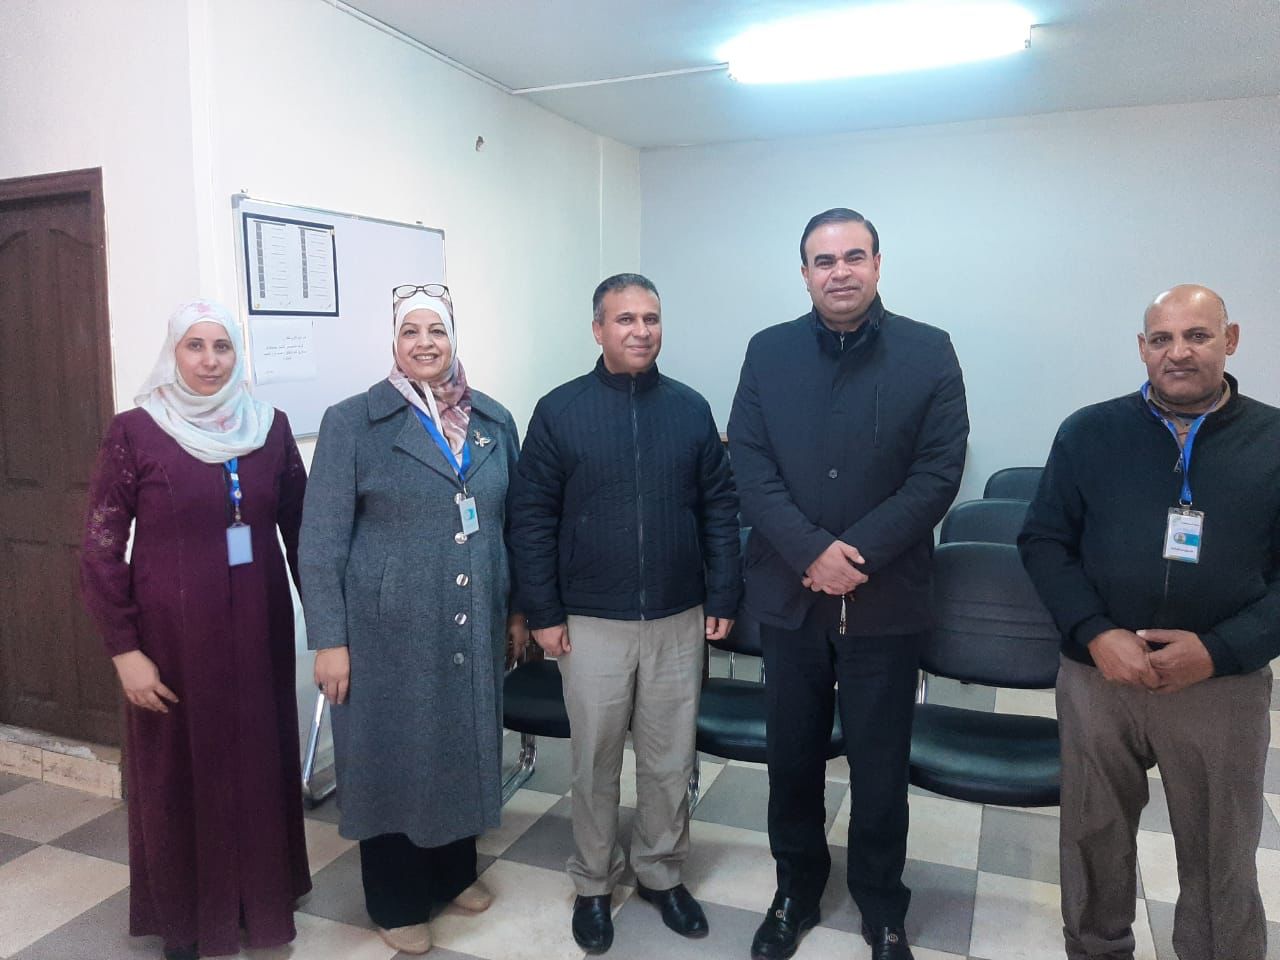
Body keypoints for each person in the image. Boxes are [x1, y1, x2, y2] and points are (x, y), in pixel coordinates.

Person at [728, 209, 968, 960]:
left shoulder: (929, 350)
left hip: (885, 599)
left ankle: (881, 904)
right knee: (792, 757)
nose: (840, 272)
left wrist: (852, 555)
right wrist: (811, 552)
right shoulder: (768, 351)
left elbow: (938, 473)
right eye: (824, 261)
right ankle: (796, 889)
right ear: (804, 273)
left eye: (853, 256)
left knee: (880, 763)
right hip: (791, 597)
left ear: (877, 264)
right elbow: (750, 466)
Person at [1019, 283, 1280, 960]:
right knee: (1092, 838)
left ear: (1231, 340)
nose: (1178, 352)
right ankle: (1096, 950)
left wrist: (1220, 650)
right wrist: (1094, 631)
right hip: (1100, 676)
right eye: (1162, 339)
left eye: (1197, 335)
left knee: (1222, 854)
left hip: (1219, 686)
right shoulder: (1089, 432)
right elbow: (1043, 541)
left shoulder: (1274, 440)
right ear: (1142, 348)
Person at [507, 273, 741, 955]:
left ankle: (662, 873)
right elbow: (531, 518)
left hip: (678, 616)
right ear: (598, 330)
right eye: (625, 319)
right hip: (589, 622)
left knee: (670, 760)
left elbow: (720, 508)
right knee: (595, 761)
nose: (641, 330)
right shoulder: (560, 410)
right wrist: (542, 610)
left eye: (651, 318)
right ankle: (592, 883)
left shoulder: (690, 409)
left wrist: (724, 594)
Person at [80, 300, 311, 960]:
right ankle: (184, 919)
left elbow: (303, 536)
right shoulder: (136, 432)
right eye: (195, 346)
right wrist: (125, 650)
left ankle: (259, 903)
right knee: (178, 773)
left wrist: (330, 630)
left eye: (222, 347)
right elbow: (99, 548)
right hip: (171, 640)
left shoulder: (270, 428)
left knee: (258, 762)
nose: (210, 361)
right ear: (173, 353)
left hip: (259, 632)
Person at [299, 283, 525, 956]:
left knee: (461, 743)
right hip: (386, 630)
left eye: (437, 331)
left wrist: (516, 611)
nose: (425, 343)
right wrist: (329, 640)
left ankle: (452, 873)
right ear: (393, 343)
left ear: (454, 339)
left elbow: (513, 524)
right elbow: (320, 541)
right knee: (394, 755)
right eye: (410, 332)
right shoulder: (353, 422)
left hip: (473, 617)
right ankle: (395, 900)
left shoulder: (492, 420)